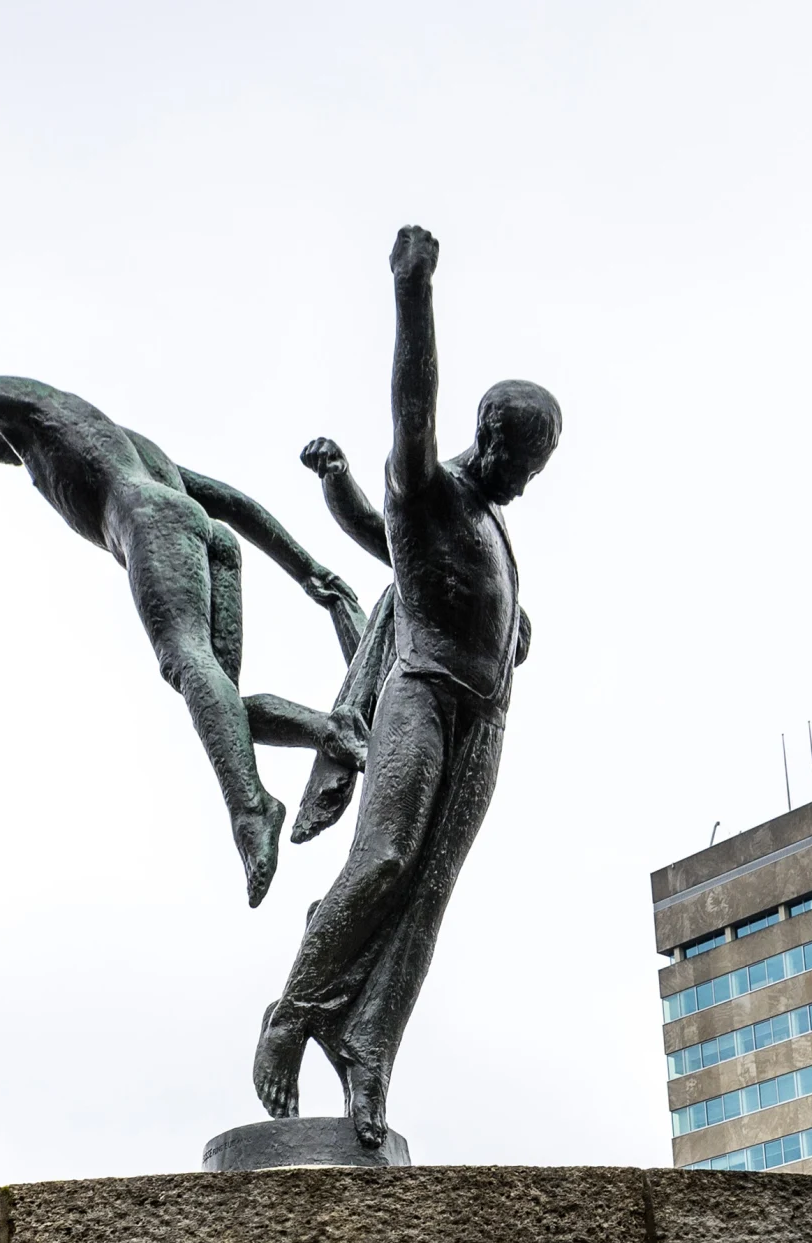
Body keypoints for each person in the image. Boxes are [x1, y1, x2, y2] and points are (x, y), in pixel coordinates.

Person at [0, 233, 368, 906]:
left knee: (186, 663)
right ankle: (330, 731)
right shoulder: (108, 434)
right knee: (220, 707)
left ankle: (252, 811)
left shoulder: (27, 407)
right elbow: (228, 504)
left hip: (150, 527)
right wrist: (308, 569)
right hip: (205, 537)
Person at [250, 225, 562, 1145]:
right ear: (491, 436)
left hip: (484, 720)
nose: (527, 483)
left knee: (431, 889)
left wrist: (512, 630)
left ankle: (370, 1047)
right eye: (523, 463)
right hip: (419, 693)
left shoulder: (492, 524)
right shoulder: (426, 487)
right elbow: (411, 407)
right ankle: (292, 1013)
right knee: (384, 860)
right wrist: (412, 292)